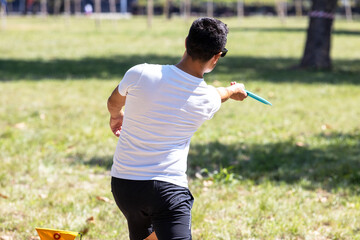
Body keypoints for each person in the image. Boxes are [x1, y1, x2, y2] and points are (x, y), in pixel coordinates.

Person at [107, 17, 247, 240]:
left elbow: (114, 101)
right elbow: (220, 94)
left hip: (124, 185)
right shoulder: (206, 100)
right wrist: (235, 90)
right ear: (217, 56)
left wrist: (116, 116)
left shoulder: (140, 73)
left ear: (186, 43)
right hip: (167, 190)